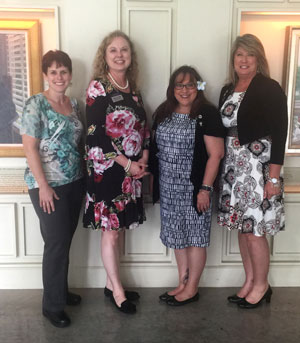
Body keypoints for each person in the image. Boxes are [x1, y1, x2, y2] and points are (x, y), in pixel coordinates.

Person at [217, 34, 288, 309]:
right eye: (239, 55)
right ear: (233, 60)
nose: (244, 60)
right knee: (243, 228)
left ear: (258, 59)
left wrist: (273, 177)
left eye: (250, 55)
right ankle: (249, 281)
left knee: (256, 230)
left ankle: (262, 285)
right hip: (234, 170)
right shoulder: (227, 89)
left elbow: (280, 134)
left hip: (259, 170)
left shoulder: (269, 87)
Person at [83, 30, 150, 314]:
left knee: (118, 229)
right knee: (110, 233)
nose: (119, 54)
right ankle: (117, 292)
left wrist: (143, 158)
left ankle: (112, 284)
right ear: (105, 55)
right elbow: (95, 135)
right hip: (107, 170)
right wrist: (127, 164)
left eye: (124, 50)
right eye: (113, 50)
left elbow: (143, 128)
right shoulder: (98, 87)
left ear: (130, 56)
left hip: (131, 171)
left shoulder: (132, 89)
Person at [150, 65, 225, 306]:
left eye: (190, 85)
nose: (184, 90)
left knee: (195, 238)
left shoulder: (207, 113)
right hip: (169, 188)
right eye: (179, 85)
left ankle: (192, 288)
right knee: (177, 238)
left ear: (198, 87)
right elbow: (154, 149)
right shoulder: (163, 111)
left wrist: (205, 189)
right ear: (172, 89)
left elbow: (216, 155)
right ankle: (182, 282)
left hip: (194, 189)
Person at [21, 50, 85, 327]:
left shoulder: (75, 105)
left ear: (70, 75)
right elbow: (30, 147)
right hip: (48, 186)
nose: (59, 76)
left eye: (64, 71)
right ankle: (52, 306)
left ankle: (60, 291)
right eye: (54, 71)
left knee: (64, 241)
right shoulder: (36, 104)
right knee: (56, 244)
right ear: (46, 75)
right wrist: (44, 186)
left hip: (75, 183)